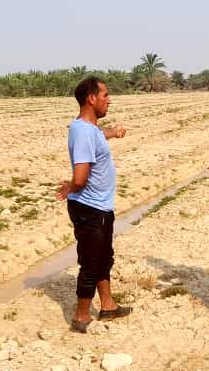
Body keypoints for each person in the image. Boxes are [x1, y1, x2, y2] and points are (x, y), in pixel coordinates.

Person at [57, 76, 132, 333]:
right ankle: (81, 317)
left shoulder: (90, 129)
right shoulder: (82, 133)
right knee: (90, 262)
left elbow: (99, 133)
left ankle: (108, 306)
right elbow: (81, 175)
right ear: (91, 98)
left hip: (100, 207)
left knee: (103, 258)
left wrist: (114, 132)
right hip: (90, 210)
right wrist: (71, 186)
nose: (108, 101)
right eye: (105, 96)